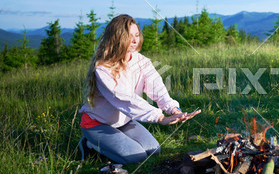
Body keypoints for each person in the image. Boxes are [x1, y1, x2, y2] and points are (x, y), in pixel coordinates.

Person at [78, 14, 200, 164]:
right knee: (136, 157)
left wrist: (174, 110)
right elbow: (126, 99)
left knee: (153, 151)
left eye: (137, 35)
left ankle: (110, 145)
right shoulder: (103, 68)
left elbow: (157, 87)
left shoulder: (141, 61)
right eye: (129, 36)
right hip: (98, 124)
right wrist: (159, 117)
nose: (135, 40)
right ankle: (89, 145)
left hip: (124, 121)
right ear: (117, 38)